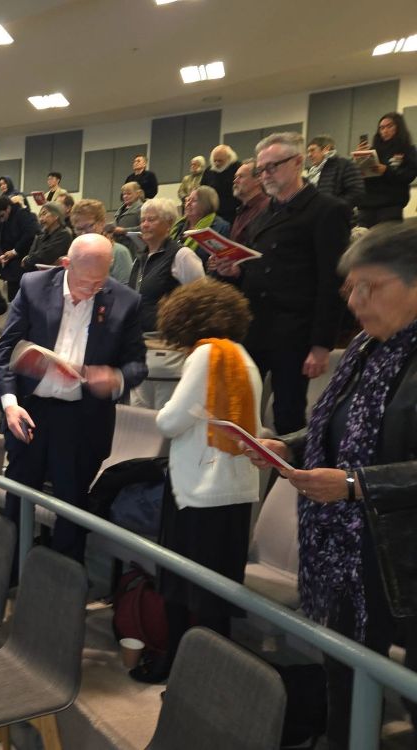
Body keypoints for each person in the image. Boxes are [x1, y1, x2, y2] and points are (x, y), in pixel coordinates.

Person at [246, 221, 417, 749]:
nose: (357, 301)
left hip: (405, 559)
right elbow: (334, 424)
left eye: (373, 287)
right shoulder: (367, 350)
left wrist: (355, 484)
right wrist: (291, 445)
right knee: (345, 674)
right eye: (352, 288)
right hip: (351, 551)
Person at [130, 278, 262, 684]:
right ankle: (208, 677)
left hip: (199, 491)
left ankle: (179, 668)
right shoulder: (242, 355)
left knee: (180, 586)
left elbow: (170, 420)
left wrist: (168, 408)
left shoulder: (207, 355)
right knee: (216, 596)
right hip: (236, 490)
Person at [0, 234, 147, 563]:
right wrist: (9, 404)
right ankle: (7, 577)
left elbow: (138, 366)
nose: (92, 290)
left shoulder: (125, 301)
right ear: (66, 264)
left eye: (100, 281)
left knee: (72, 508)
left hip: (82, 418)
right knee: (18, 498)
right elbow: (5, 351)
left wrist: (116, 377)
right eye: (85, 281)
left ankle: (59, 590)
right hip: (30, 409)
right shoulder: (34, 286)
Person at [215, 132, 350, 434]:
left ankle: (290, 481)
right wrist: (234, 271)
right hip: (255, 327)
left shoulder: (327, 210)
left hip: (295, 333)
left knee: (287, 414)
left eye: (273, 166)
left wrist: (321, 345)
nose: (266, 175)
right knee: (239, 410)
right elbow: (257, 270)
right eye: (261, 169)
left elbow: (333, 282)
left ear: (298, 162)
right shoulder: (262, 215)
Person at [129, 197, 205, 332]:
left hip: (168, 343)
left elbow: (202, 300)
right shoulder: (139, 259)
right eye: (142, 220)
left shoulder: (182, 255)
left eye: (151, 220)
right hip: (139, 339)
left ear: (169, 223)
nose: (145, 225)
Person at [356, 112, 417, 228]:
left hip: (391, 205)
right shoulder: (372, 150)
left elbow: (409, 175)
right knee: (363, 242)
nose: (385, 131)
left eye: (389, 126)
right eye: (382, 128)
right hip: (367, 205)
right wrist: (360, 158)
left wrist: (386, 171)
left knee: (385, 243)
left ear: (399, 127)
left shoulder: (408, 150)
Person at [68, 199, 132, 282]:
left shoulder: (119, 252)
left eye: (89, 226)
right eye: (79, 229)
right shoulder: (75, 253)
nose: (83, 233)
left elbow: (125, 291)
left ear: (102, 223)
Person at [0, 195, 40, 301]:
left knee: (21, 302)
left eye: (2, 215)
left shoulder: (22, 214)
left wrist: (15, 251)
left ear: (8, 208)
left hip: (23, 267)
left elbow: (30, 234)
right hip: (13, 268)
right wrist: (4, 254)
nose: (1, 219)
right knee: (13, 302)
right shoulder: (6, 219)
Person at [169, 186, 231, 265]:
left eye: (194, 200)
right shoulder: (178, 226)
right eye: (188, 199)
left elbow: (219, 262)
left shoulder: (220, 227)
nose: (188, 203)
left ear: (206, 204)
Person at [306, 135, 365, 212]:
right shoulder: (312, 171)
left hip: (335, 218)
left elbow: (357, 193)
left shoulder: (345, 165)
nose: (309, 155)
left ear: (326, 149)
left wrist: (334, 208)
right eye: (308, 152)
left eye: (312, 150)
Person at [225, 159, 269, 247]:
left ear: (258, 179)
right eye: (235, 177)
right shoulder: (242, 209)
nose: (235, 181)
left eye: (240, 177)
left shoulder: (268, 207)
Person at [22, 201, 73, 272]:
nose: (41, 219)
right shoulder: (41, 235)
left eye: (44, 214)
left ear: (56, 216)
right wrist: (29, 260)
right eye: (40, 216)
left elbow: (44, 257)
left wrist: (27, 260)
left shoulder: (64, 234)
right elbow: (31, 255)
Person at [200, 145, 241, 223]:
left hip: (233, 214)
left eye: (220, 161)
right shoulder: (208, 171)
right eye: (214, 160)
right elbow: (202, 192)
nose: (217, 163)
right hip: (212, 216)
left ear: (229, 159)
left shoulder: (238, 168)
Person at [112, 181, 144, 255]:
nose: (125, 196)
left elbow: (144, 228)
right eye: (124, 194)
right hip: (119, 246)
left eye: (129, 194)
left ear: (137, 194)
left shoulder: (142, 208)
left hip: (134, 249)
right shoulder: (120, 210)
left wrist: (124, 230)